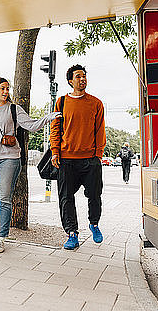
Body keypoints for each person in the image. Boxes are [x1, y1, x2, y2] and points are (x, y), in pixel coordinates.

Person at [0, 77, 60, 253]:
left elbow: (31, 125)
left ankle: (1, 237)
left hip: (9, 158)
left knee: (4, 199)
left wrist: (48, 117)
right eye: (2, 88)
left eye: (7, 88)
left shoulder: (14, 109)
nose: (5, 91)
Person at [50, 65, 106, 250]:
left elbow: (100, 130)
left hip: (90, 159)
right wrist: (55, 151)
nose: (82, 79)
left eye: (84, 76)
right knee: (66, 197)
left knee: (94, 195)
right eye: (78, 76)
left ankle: (94, 224)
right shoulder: (62, 102)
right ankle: (72, 233)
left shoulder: (96, 103)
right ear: (70, 81)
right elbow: (55, 128)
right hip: (66, 159)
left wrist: (98, 155)